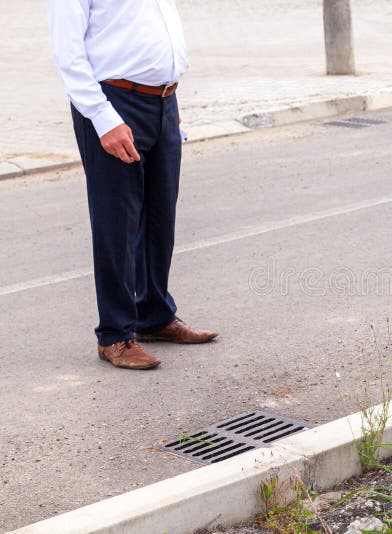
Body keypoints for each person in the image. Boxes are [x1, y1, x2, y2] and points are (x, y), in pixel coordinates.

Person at [49, 0, 217, 371]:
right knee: (117, 226)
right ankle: (115, 335)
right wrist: (102, 117)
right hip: (114, 102)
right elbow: (68, 55)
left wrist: (166, 108)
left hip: (163, 102)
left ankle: (154, 316)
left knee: (160, 219)